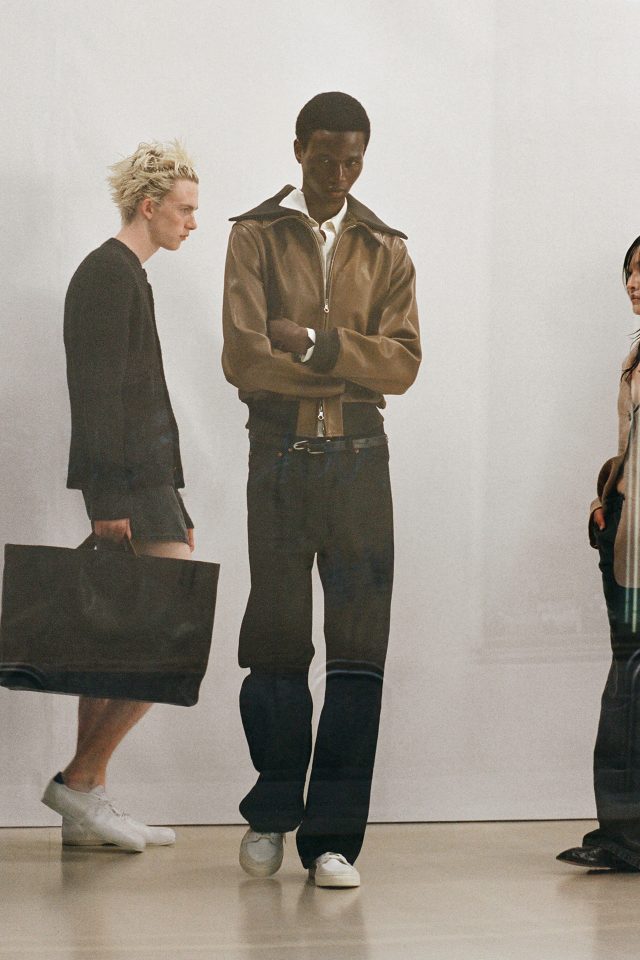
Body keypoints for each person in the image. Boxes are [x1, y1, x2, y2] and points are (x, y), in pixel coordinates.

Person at [222, 92, 421, 887]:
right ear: (299, 148)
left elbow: (402, 365)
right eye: (327, 158)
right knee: (275, 644)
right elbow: (243, 358)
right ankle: (274, 811)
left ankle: (333, 839)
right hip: (278, 461)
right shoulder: (254, 235)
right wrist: (348, 366)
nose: (340, 174)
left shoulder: (387, 247)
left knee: (358, 656)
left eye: (354, 161)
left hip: (362, 468)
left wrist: (312, 344)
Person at [41, 140, 199, 852]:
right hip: (129, 485)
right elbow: (97, 394)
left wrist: (171, 501)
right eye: (185, 209)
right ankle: (80, 783)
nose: (192, 223)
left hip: (145, 483)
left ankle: (87, 802)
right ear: (149, 205)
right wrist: (107, 497)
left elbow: (138, 398)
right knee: (169, 636)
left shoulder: (126, 274)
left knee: (112, 643)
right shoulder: (108, 275)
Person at [558, 235, 640, 872]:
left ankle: (625, 834)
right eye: (630, 272)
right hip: (627, 544)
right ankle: (621, 833)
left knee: (630, 683)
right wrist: (606, 493)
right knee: (626, 684)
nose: (634, 283)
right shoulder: (635, 356)